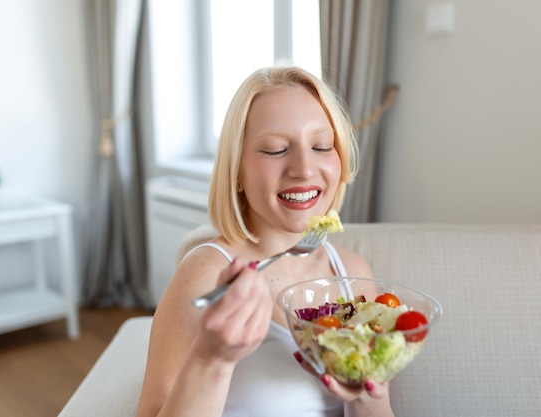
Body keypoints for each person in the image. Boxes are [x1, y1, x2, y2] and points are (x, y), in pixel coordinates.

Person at [135, 65, 395, 417]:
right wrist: (212, 359)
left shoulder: (351, 272)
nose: (304, 168)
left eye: (321, 145)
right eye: (275, 149)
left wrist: (370, 399)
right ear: (237, 172)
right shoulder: (204, 276)